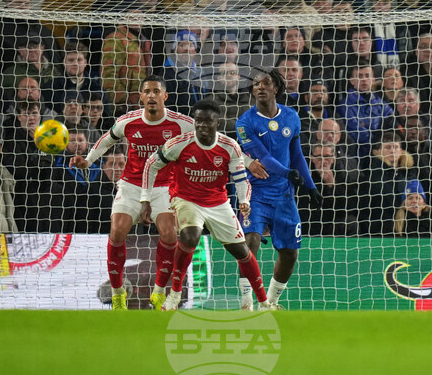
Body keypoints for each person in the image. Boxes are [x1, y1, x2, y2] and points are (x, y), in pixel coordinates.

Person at [68, 75, 194, 310]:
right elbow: (106, 140)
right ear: (141, 97)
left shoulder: (182, 123)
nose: (151, 95)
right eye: (147, 91)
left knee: (169, 233)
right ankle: (117, 294)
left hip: (164, 186)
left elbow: (207, 140)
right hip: (132, 184)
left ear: (165, 96)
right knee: (117, 230)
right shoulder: (128, 121)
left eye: (156, 91)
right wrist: (87, 160)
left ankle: (158, 291)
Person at [141, 98, 269, 311]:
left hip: (218, 203)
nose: (202, 125)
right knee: (190, 236)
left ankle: (263, 302)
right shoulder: (179, 143)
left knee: (242, 251)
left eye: (207, 121)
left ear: (217, 122)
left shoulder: (230, 147)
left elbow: (241, 179)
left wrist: (244, 201)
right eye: (198, 121)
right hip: (186, 199)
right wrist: (146, 199)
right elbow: (151, 164)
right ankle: (174, 295)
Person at [234, 70, 322, 310]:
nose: (260, 87)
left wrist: (310, 186)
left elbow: (297, 154)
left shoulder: (292, 117)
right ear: (252, 90)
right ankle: (246, 302)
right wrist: (287, 173)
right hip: (255, 192)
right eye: (256, 84)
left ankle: (270, 302)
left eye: (266, 83)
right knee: (249, 242)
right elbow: (262, 156)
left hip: (284, 195)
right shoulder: (244, 122)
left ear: (277, 88)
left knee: (290, 253)